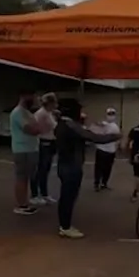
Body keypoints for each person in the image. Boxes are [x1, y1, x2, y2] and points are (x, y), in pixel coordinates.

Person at [53, 99, 121, 239]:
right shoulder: (70, 125)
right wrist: (115, 136)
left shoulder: (62, 124)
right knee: (68, 197)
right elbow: (93, 137)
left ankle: (64, 225)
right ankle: (65, 226)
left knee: (67, 196)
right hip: (71, 166)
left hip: (65, 164)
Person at [9, 89, 44, 216]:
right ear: (23, 96)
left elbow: (37, 127)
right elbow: (31, 129)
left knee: (27, 178)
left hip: (31, 149)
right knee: (21, 178)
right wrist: (39, 128)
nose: (34, 99)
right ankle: (21, 205)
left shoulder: (27, 113)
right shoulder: (18, 113)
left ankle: (24, 202)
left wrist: (38, 127)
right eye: (32, 96)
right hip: (22, 150)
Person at [31, 93, 59, 207]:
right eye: (54, 103)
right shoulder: (41, 114)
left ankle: (44, 193)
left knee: (46, 169)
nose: (55, 105)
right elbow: (36, 127)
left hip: (51, 142)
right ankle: (34, 194)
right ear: (50, 103)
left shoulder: (49, 113)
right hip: (43, 143)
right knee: (40, 169)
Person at [91, 107, 120, 191]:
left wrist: (117, 147)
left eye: (112, 114)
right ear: (106, 115)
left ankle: (104, 183)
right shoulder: (102, 124)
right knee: (99, 167)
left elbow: (117, 138)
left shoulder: (115, 126)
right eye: (109, 114)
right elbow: (95, 132)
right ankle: (97, 183)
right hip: (101, 149)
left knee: (108, 168)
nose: (111, 116)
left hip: (111, 150)